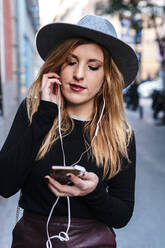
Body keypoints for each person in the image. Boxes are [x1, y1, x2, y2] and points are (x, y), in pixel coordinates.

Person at [0, 14, 138, 248]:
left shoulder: (120, 133)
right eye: (71, 61)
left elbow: (121, 215)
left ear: (106, 77)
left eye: (93, 66)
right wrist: (45, 113)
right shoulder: (34, 111)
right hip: (33, 240)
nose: (79, 74)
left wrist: (94, 192)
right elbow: (4, 185)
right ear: (57, 66)